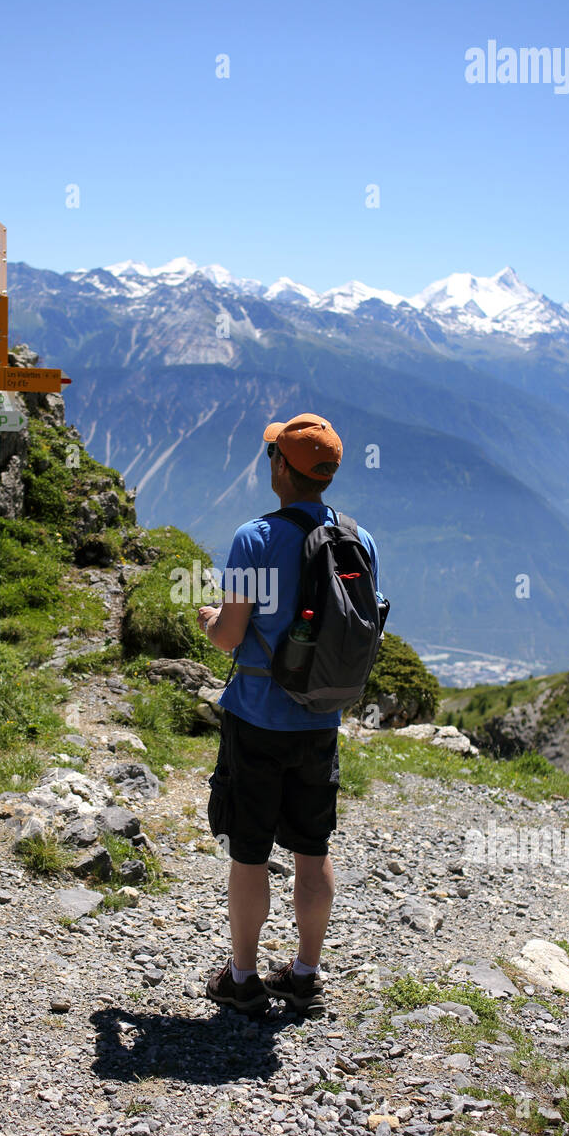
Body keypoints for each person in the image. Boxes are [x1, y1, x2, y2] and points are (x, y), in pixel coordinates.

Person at [196, 413, 383, 1018]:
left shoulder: (255, 537)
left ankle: (243, 977)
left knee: (249, 851)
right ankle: (304, 974)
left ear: (281, 466)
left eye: (272, 451)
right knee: (312, 847)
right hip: (321, 721)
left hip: (257, 718)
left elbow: (229, 637)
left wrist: (207, 623)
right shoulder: (360, 539)